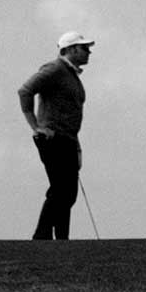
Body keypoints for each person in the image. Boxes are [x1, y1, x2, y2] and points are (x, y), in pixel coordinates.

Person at [16, 31, 93, 240]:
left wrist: (77, 147)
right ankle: (42, 236)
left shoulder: (71, 75)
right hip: (53, 138)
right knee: (62, 191)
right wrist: (36, 126)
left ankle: (60, 240)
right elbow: (25, 91)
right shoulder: (55, 69)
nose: (88, 52)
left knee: (67, 193)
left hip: (68, 139)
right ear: (70, 49)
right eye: (84, 48)